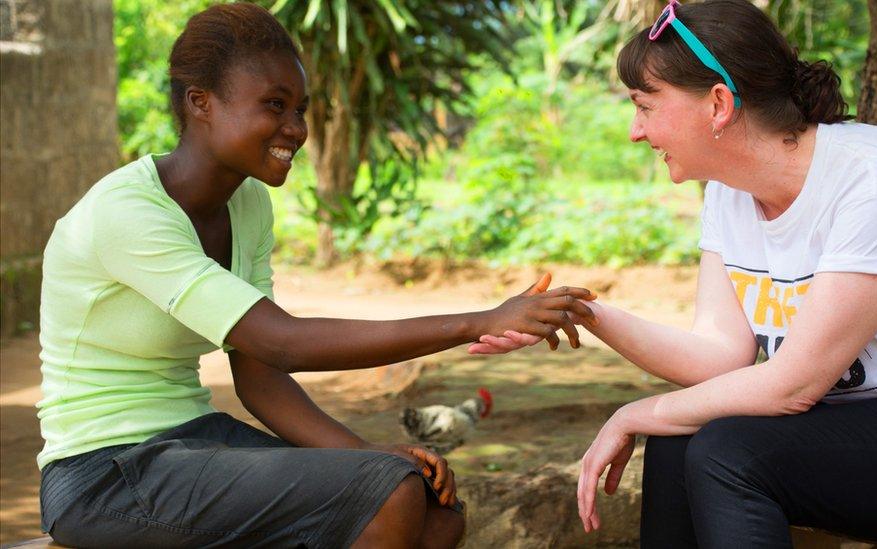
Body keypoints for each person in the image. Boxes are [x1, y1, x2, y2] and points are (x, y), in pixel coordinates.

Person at [35, 3, 597, 548]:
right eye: (274, 105)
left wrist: (362, 453)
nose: (296, 128)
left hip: (192, 441)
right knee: (390, 498)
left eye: (300, 108)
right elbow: (281, 343)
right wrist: (478, 321)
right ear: (200, 103)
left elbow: (259, 377)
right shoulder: (127, 212)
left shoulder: (247, 202)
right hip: (103, 473)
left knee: (435, 512)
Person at [470, 0, 877, 546]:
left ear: (717, 104)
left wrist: (633, 411)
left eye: (645, 106)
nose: (635, 132)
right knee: (679, 438)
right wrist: (583, 311)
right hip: (873, 427)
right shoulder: (731, 196)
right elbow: (717, 356)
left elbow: (793, 386)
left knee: (726, 451)